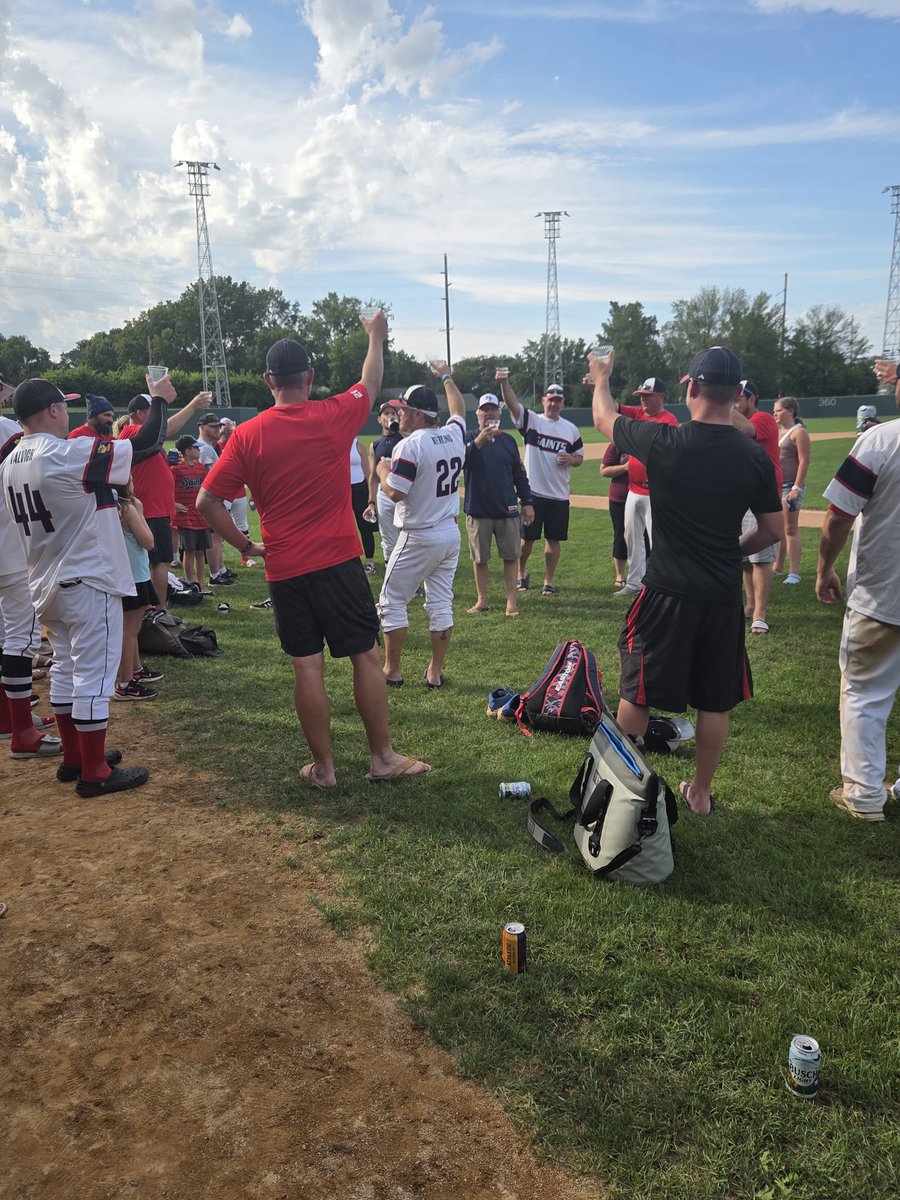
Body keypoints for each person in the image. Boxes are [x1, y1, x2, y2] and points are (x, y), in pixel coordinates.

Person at [197, 320, 430, 788]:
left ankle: (323, 769)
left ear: (268, 382)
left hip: (285, 568)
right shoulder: (332, 414)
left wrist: (247, 547)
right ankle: (381, 758)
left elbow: (206, 502)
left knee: (307, 664)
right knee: (364, 656)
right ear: (309, 377)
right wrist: (375, 337)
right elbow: (371, 382)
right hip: (338, 561)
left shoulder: (245, 435)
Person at [590, 345, 783, 816]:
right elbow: (774, 531)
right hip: (720, 594)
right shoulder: (753, 455)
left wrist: (601, 375)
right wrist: (729, 551)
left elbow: (602, 417)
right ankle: (699, 793)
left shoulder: (664, 441)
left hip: (665, 590)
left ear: (692, 388)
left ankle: (625, 789)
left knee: (638, 687)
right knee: (715, 698)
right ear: (738, 394)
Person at [1, 377, 170, 795]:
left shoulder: (9, 459)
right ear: (54, 411)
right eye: (64, 406)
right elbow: (146, 443)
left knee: (65, 669)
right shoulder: (63, 453)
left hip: (45, 581)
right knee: (93, 674)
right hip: (87, 577)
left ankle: (75, 756)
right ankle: (94, 770)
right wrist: (159, 401)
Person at [815, 366, 899, 822]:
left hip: (882, 592)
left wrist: (824, 567)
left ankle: (865, 796)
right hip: (884, 591)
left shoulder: (882, 439)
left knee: (865, 692)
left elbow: (838, 516)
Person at [376, 363, 466, 686]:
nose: (398, 415)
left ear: (417, 414)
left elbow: (396, 492)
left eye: (403, 410)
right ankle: (435, 673)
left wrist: (382, 471)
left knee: (391, 599)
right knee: (441, 602)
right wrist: (445, 376)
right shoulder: (454, 436)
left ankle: (392, 670)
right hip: (448, 532)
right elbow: (458, 409)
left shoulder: (410, 445)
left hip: (418, 533)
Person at [0, 375, 61, 759]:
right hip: (8, 550)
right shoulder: (9, 430)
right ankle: (20, 729)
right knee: (19, 639)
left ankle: (8, 719)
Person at [118, 386, 211, 607]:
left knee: (159, 562)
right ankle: (158, 610)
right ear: (140, 413)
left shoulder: (141, 436)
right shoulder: (132, 431)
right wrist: (193, 406)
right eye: (154, 409)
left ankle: (155, 609)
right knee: (159, 562)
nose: (158, 416)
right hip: (150, 508)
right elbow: (166, 429)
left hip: (154, 508)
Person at [495, 377, 583, 596]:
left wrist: (571, 460)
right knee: (526, 541)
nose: (553, 404)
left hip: (559, 495)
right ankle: (520, 574)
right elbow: (514, 405)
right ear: (543, 400)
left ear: (563, 403)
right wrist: (505, 383)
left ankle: (548, 580)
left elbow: (579, 457)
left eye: (558, 400)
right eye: (550, 400)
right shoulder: (532, 421)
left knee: (553, 540)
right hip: (533, 494)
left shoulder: (570, 429)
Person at [462, 393, 534, 617]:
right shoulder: (468, 438)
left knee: (511, 555)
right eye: (485, 409)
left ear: (499, 413)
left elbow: (519, 475)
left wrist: (527, 502)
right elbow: (461, 462)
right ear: (478, 414)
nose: (490, 413)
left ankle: (511, 601)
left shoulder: (508, 441)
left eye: (494, 409)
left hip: (507, 509)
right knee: (479, 558)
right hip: (478, 509)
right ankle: (482, 599)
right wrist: (478, 443)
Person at [612, 377, 678, 598]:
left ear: (661, 397)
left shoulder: (668, 420)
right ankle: (635, 582)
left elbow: (670, 457)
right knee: (631, 536)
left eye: (647, 396)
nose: (643, 401)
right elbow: (614, 407)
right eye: (641, 396)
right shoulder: (639, 414)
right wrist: (596, 387)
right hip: (633, 489)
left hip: (656, 493)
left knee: (657, 539)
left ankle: (661, 583)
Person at [732, 379, 783, 632]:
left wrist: (718, 397)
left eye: (739, 397)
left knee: (761, 558)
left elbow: (747, 431)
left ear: (752, 399)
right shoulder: (735, 421)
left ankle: (760, 614)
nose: (735, 402)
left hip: (762, 496)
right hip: (741, 492)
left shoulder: (762, 418)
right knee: (743, 557)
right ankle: (750, 605)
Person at [114, 478, 159, 701]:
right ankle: (125, 682)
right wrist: (139, 511)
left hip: (120, 574)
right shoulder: (127, 508)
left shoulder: (106, 505)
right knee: (129, 629)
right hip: (135, 576)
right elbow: (148, 542)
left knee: (130, 627)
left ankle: (136, 669)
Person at [772, 397, 811, 583]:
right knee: (779, 529)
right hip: (778, 486)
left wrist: (796, 487)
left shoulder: (799, 433)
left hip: (791, 487)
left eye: (778, 410)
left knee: (790, 529)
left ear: (790, 411)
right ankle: (778, 567)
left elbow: (804, 461)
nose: (775, 414)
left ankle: (794, 572)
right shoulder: (780, 432)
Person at [196, 412, 233, 585]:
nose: (217, 429)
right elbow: (204, 477)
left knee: (218, 536)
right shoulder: (202, 448)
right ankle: (215, 574)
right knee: (214, 536)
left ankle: (220, 569)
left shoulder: (209, 447)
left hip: (216, 498)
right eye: (213, 426)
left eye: (218, 426)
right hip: (209, 499)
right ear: (202, 427)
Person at [171, 435, 212, 590]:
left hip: (201, 516)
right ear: (187, 451)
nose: (199, 450)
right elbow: (166, 488)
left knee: (201, 551)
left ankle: (200, 583)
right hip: (185, 516)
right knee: (189, 550)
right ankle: (189, 582)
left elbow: (207, 486)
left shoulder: (201, 467)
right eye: (196, 448)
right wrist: (173, 504)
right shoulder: (175, 469)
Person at [368, 400, 404, 567]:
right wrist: (371, 502)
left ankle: (413, 582)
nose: (390, 416)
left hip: (404, 492)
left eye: (393, 413)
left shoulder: (405, 439)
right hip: (383, 494)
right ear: (379, 419)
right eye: (386, 413)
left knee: (407, 537)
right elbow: (373, 477)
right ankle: (393, 577)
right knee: (388, 539)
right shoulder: (375, 445)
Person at [218, 418, 256, 568]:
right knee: (219, 526)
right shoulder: (215, 446)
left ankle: (245, 558)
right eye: (224, 427)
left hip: (239, 491)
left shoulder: (238, 445)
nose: (228, 430)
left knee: (242, 525)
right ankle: (218, 559)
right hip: (223, 491)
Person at [599, 438, 630, 589]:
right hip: (620, 498)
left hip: (645, 496)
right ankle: (620, 575)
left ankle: (644, 573)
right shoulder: (617, 444)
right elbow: (604, 470)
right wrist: (625, 467)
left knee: (645, 535)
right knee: (620, 534)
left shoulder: (646, 441)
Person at [349, 436, 376, 575]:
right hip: (342, 491)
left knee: (364, 526)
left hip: (359, 489)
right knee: (345, 528)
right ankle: (348, 562)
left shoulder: (358, 444)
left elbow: (368, 472)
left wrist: (371, 494)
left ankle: (370, 562)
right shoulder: (335, 442)